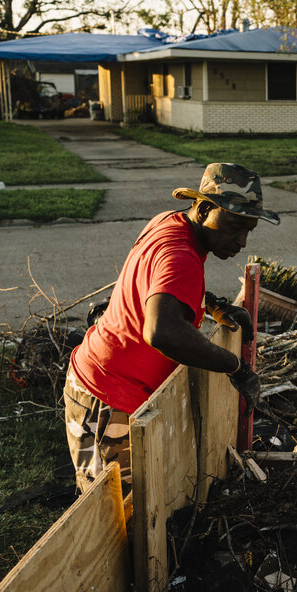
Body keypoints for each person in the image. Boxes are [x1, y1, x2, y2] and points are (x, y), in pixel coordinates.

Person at [63, 163, 279, 495]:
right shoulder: (180, 255)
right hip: (107, 397)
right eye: (235, 226)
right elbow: (162, 331)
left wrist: (211, 304)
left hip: (104, 383)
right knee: (113, 518)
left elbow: (160, 285)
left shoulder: (170, 223)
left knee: (120, 510)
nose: (242, 240)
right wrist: (234, 367)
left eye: (249, 229)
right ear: (205, 208)